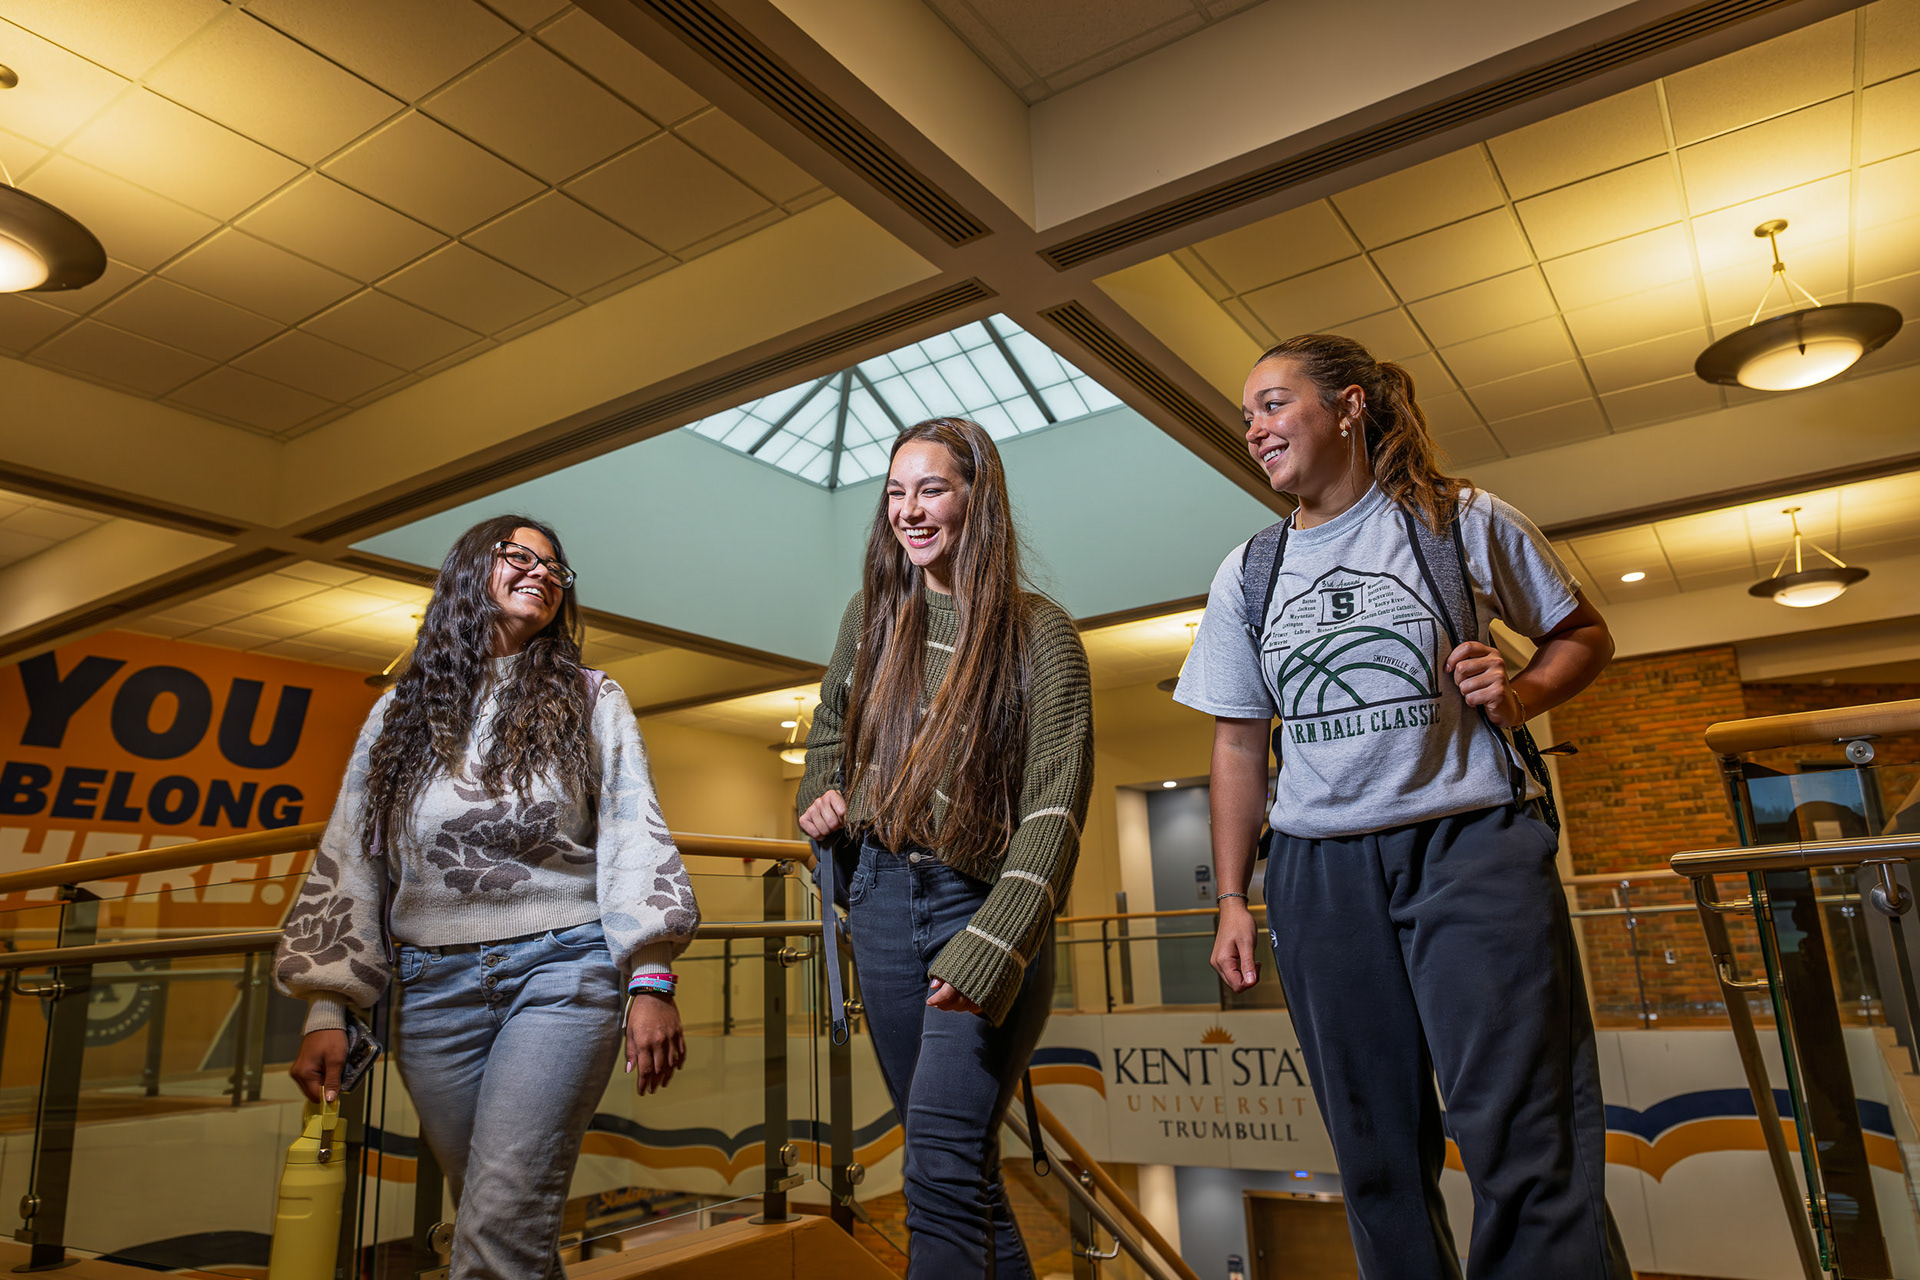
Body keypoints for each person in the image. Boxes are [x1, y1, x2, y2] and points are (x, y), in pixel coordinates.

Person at [1175, 334, 1628, 1280]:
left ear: (1349, 406)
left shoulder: (1460, 521)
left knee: (1518, 1130)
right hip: (1319, 871)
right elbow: (1237, 745)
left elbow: (1582, 635)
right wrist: (1231, 898)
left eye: (1272, 404)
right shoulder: (1249, 571)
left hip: (1470, 843)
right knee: (1373, 1148)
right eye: (1247, 415)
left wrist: (1523, 693)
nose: (1253, 429)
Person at [276, 514, 698, 1280]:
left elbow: (634, 831)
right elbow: (352, 855)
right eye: (519, 556)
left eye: (555, 567)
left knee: (498, 1227)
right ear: (470, 570)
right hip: (430, 995)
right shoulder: (398, 713)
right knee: (498, 1224)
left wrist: (651, 977)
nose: (543, 572)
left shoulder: (590, 698)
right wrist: (327, 1007)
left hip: (562, 975)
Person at [797, 419, 1093, 1280]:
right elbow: (829, 732)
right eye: (896, 493)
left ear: (978, 498)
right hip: (882, 902)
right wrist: (822, 796)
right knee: (960, 1168)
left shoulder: (1040, 633)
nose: (910, 511)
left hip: (981, 907)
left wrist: (994, 945)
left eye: (931, 490)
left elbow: (1053, 811)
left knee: (937, 1171)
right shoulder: (871, 616)